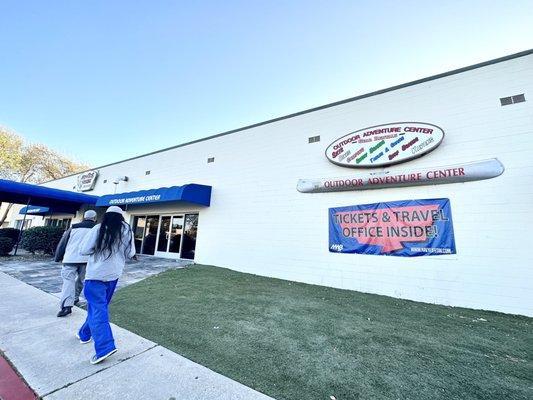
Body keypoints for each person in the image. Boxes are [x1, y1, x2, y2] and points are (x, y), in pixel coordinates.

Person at [77, 206, 136, 364]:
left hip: (95, 274)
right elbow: (130, 253)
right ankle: (84, 334)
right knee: (99, 308)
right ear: (121, 217)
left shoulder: (98, 228)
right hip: (113, 275)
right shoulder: (127, 230)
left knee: (98, 309)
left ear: (107, 216)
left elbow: (83, 250)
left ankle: (105, 347)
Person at [54, 210, 98, 317]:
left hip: (70, 258)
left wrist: (58, 256)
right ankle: (76, 298)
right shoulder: (97, 229)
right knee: (83, 281)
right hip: (87, 260)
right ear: (95, 218)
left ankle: (66, 306)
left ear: (83, 217)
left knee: (68, 282)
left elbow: (63, 242)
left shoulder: (73, 227)